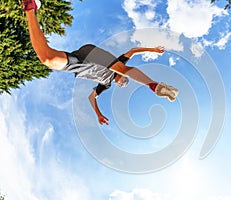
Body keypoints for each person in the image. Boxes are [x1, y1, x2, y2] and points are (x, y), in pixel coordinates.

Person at [22, 0, 179, 125]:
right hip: (92, 53)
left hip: (79, 63)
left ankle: (30, 7)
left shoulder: (105, 85)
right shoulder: (120, 66)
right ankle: (153, 85)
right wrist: (153, 50)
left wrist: (98, 114)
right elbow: (133, 51)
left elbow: (91, 98)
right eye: (125, 82)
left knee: (47, 59)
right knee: (121, 68)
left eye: (123, 84)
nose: (123, 82)